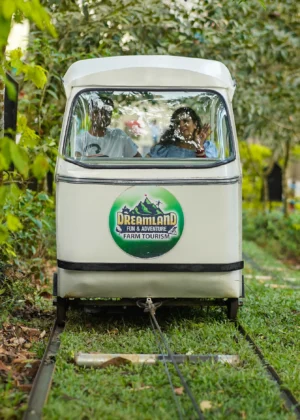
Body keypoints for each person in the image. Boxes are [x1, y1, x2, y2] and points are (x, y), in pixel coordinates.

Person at [75, 97, 141, 158]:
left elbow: (138, 160)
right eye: (97, 112)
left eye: (107, 112)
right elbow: (76, 163)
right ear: (90, 114)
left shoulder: (119, 136)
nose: (102, 116)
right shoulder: (80, 140)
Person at [148, 107, 217, 159]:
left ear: (195, 124)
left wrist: (199, 146)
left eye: (185, 121)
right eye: (177, 123)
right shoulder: (164, 148)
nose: (181, 125)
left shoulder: (208, 147)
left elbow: (207, 172)